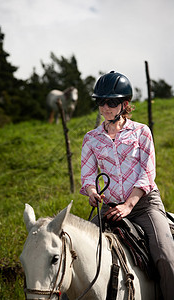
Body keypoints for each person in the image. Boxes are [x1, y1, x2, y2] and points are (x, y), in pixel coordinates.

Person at [80, 71, 174, 300]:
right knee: (76, 251)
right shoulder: (91, 138)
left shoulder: (142, 132)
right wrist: (92, 192)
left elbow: (147, 173)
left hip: (144, 205)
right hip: (110, 208)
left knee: (165, 255)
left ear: (125, 104)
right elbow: (88, 175)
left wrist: (129, 206)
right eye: (101, 102)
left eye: (111, 102)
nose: (105, 108)